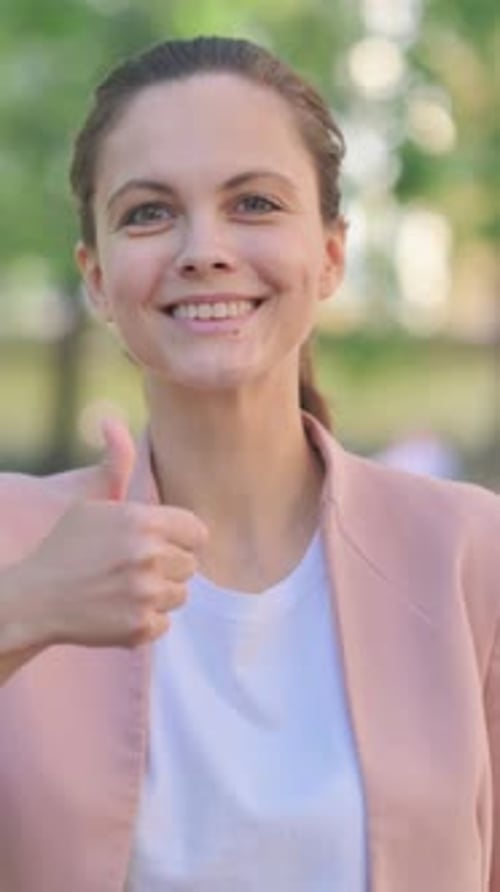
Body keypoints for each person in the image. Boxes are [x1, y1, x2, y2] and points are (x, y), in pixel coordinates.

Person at [0, 35, 499, 892]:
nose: (204, 248)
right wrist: (22, 611)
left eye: (255, 204)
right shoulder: (14, 540)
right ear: (95, 277)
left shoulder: (467, 549)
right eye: (149, 212)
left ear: (333, 254)